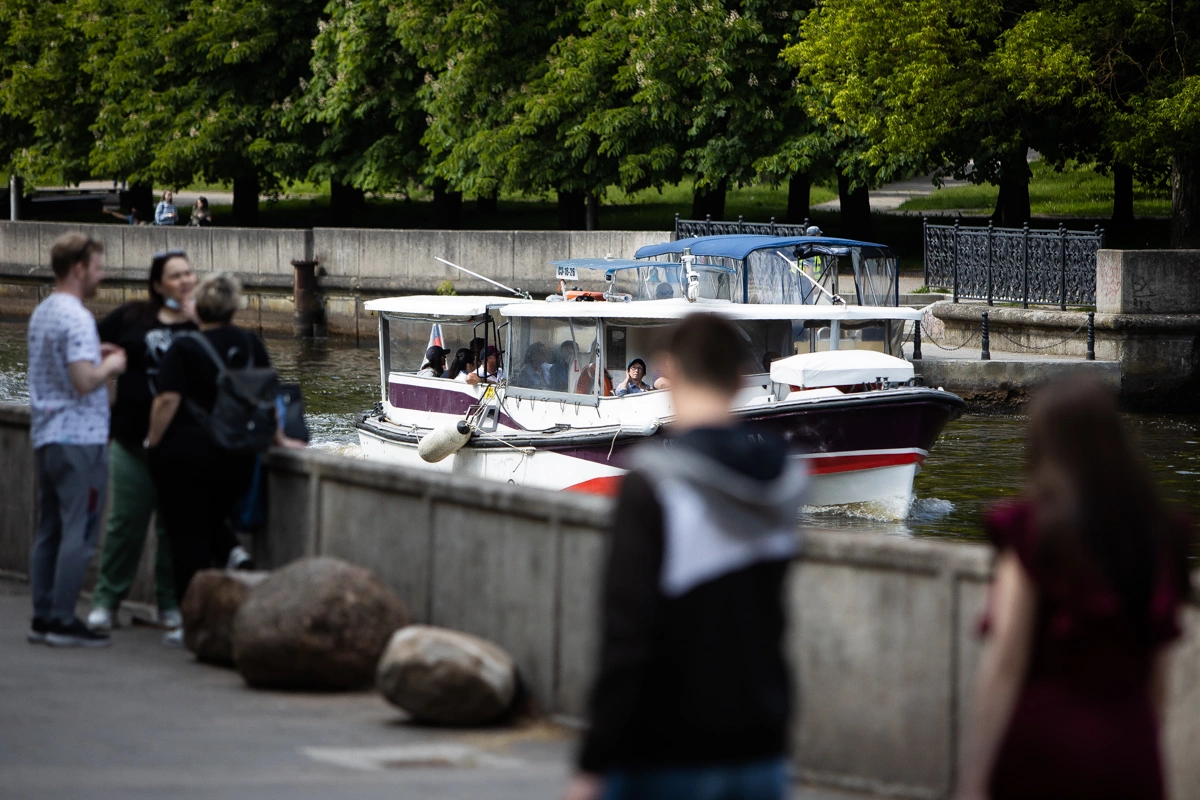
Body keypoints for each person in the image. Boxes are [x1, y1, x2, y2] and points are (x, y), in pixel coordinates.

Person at [566, 313, 809, 800]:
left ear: (668, 371)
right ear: (741, 379)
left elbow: (627, 636)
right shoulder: (786, 480)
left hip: (667, 748)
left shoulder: (653, 482)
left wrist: (595, 759)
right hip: (761, 744)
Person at [957, 380, 1192, 800]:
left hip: (1045, 744)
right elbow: (1159, 678)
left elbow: (1006, 664)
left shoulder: (1034, 531)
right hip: (1127, 744)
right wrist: (1139, 743)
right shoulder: (1160, 536)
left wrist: (974, 778)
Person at [145, 273, 303, 645]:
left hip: (187, 455)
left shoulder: (184, 348)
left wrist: (152, 443)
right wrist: (279, 438)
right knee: (211, 520)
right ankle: (231, 555)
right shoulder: (251, 344)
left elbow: (167, 400)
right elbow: (269, 398)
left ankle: (191, 623)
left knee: (187, 539)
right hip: (237, 455)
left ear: (198, 308)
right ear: (234, 309)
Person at [86, 250, 199, 633]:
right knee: (124, 524)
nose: (185, 280)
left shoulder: (201, 324)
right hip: (132, 442)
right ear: (157, 284)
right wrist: (107, 383)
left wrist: (200, 320)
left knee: (174, 529)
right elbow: (86, 348)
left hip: (180, 446)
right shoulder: (132, 316)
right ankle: (106, 600)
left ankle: (170, 604)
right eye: (175, 275)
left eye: (188, 273)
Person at [26, 233, 127, 648]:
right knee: (81, 532)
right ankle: (64, 621)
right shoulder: (78, 317)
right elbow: (84, 381)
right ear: (79, 268)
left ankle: (43, 615)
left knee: (48, 529)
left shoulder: (44, 312)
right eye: (98, 267)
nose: (101, 275)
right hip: (81, 441)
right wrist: (112, 365)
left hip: (47, 435)